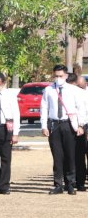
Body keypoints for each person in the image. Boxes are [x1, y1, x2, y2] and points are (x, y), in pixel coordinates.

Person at [40, 64, 86, 195]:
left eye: (60, 76)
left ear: (66, 76)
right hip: (54, 124)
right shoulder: (48, 90)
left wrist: (81, 125)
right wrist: (44, 126)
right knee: (57, 156)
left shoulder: (73, 90)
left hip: (69, 125)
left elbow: (80, 108)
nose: (58, 78)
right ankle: (58, 184)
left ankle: (70, 184)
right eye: (56, 76)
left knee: (71, 155)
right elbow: (44, 108)